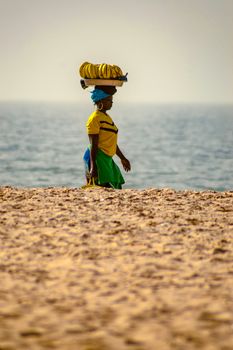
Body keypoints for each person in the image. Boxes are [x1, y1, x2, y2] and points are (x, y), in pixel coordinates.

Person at [83, 85, 131, 189]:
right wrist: (93, 166)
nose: (112, 103)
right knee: (101, 187)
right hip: (97, 157)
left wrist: (123, 158)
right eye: (109, 100)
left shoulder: (107, 117)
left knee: (116, 185)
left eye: (111, 100)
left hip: (107, 158)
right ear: (101, 101)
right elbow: (93, 145)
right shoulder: (94, 119)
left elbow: (112, 142)